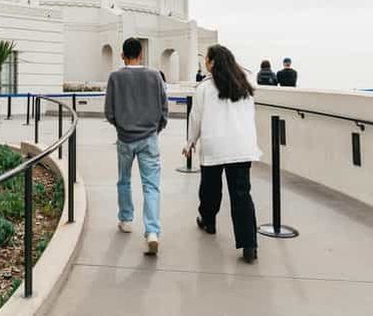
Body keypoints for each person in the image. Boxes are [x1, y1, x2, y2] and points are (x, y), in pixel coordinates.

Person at [182, 44, 261, 263]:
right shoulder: (245, 83)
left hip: (215, 145)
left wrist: (190, 142)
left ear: (212, 62)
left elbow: (195, 118)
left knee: (210, 188)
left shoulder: (205, 88)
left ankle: (208, 221)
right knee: (241, 194)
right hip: (241, 146)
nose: (204, 64)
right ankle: (249, 245)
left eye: (206, 60)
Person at [105, 37, 168, 255]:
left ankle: (126, 219)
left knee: (124, 180)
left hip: (125, 138)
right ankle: (152, 231)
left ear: (122, 55)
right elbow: (164, 107)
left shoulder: (115, 77)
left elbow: (109, 111)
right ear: (141, 53)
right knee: (151, 186)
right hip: (149, 138)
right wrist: (156, 128)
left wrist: (121, 126)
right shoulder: (155, 76)